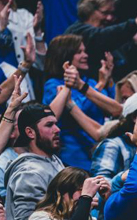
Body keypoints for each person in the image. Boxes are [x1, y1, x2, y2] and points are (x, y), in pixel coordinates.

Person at [43, 34, 121, 169]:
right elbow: (76, 108)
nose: (85, 55)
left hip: (101, 151)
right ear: (65, 55)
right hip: (74, 157)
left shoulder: (89, 82)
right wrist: (94, 85)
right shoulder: (54, 85)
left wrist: (106, 82)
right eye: (79, 52)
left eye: (84, 51)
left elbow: (115, 108)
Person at [4, 103, 64, 220]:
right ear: (30, 132)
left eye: (56, 124)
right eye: (49, 125)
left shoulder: (55, 161)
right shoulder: (28, 173)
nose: (57, 129)